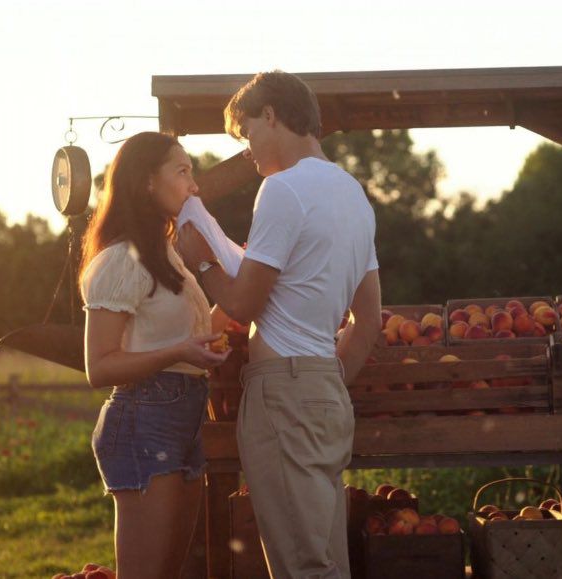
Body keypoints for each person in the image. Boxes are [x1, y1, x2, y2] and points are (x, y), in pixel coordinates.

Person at [177, 70, 382, 579]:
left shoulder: (282, 189)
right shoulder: (353, 193)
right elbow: (370, 319)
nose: (247, 149)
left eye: (246, 133)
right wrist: (324, 379)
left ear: (270, 114)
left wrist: (202, 261)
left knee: (301, 565)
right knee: (326, 557)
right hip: (324, 386)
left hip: (282, 392)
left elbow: (243, 304)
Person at [78, 131, 231, 579]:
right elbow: (99, 366)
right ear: (147, 181)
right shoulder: (120, 261)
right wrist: (180, 351)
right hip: (145, 417)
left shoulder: (169, 253)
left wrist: (240, 311)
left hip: (183, 414)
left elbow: (184, 335)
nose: (194, 185)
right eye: (182, 172)